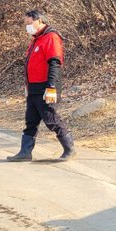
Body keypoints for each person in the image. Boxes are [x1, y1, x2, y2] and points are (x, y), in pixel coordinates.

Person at [7, 10, 75, 162]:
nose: (27, 26)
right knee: (30, 121)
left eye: (29, 23)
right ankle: (25, 152)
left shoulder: (51, 37)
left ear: (39, 21)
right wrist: (27, 85)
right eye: (26, 24)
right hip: (33, 87)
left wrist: (51, 87)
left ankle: (70, 149)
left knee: (51, 119)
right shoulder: (36, 39)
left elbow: (55, 63)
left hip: (45, 87)